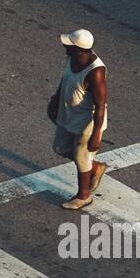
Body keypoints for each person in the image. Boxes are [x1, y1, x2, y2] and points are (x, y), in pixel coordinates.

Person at [48, 29, 108, 210]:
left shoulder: (95, 73)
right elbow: (65, 79)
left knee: (82, 157)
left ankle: (84, 196)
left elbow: (100, 105)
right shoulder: (73, 58)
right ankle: (95, 167)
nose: (66, 46)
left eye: (70, 45)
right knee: (60, 147)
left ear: (81, 50)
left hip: (87, 121)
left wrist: (96, 133)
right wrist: (55, 99)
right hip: (69, 114)